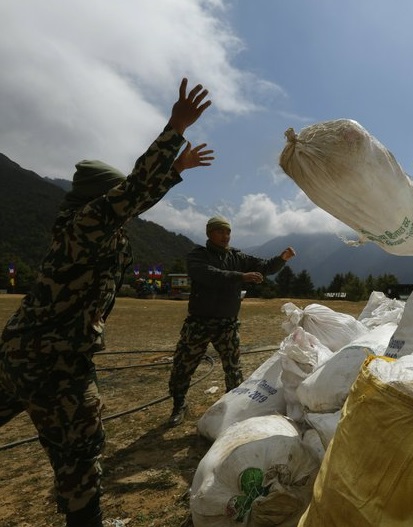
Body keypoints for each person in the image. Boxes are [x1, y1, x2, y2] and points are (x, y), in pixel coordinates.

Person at [0, 78, 213, 526]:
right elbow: (133, 191)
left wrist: (175, 170)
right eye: (114, 198)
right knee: (81, 451)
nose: (126, 206)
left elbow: (137, 196)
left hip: (22, 351)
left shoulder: (90, 226)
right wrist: (174, 130)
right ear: (100, 198)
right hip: (55, 361)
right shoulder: (87, 223)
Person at [167, 216, 296, 426]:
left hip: (227, 323)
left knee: (233, 369)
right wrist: (241, 277)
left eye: (228, 232)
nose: (225, 236)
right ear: (209, 233)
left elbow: (264, 266)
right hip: (199, 322)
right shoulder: (198, 255)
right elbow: (208, 274)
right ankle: (179, 405)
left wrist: (282, 259)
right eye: (220, 232)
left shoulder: (237, 257)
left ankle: (232, 407)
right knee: (183, 366)